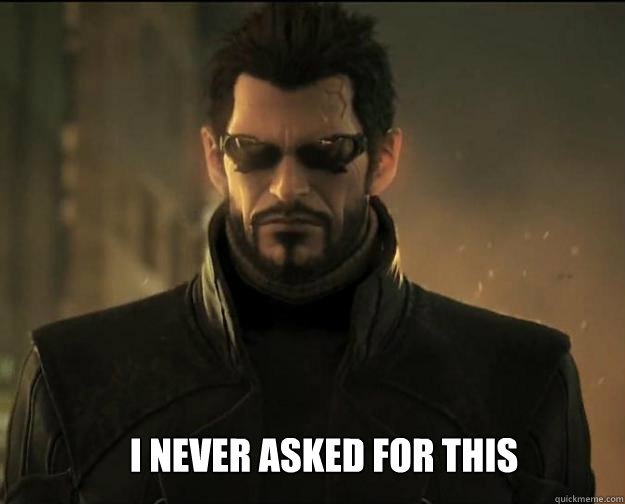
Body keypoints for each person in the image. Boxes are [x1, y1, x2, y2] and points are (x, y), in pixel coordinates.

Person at [2, 3, 594, 503]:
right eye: (253, 152)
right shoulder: (72, 380)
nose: (288, 188)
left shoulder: (522, 381)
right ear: (214, 160)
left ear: (383, 160)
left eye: (327, 150)